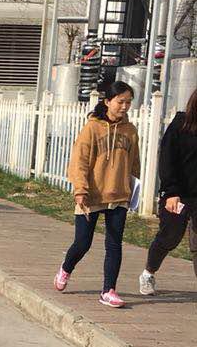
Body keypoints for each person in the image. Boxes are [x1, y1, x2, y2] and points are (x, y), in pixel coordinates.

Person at [54, 80, 141, 308]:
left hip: (119, 196)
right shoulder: (92, 128)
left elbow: (135, 164)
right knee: (83, 242)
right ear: (108, 101)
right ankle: (66, 268)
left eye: (128, 102)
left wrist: (133, 190)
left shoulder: (130, 131)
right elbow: (79, 162)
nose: (124, 106)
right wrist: (80, 190)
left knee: (114, 244)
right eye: (120, 101)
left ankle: (108, 290)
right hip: (91, 195)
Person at [140, 86, 197, 296]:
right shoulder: (180, 125)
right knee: (170, 237)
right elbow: (167, 159)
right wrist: (171, 191)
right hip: (178, 194)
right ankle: (148, 272)